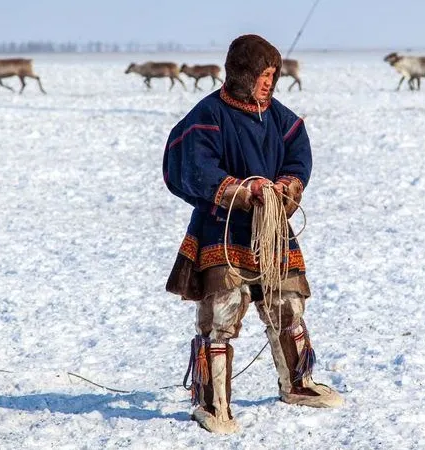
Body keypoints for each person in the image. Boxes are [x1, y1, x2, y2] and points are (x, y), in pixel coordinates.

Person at [162, 34, 343, 434]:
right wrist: (243, 191)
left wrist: (287, 186)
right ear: (241, 74)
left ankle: (298, 382)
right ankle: (213, 403)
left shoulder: (281, 118)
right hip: (221, 231)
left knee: (289, 304)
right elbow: (194, 164)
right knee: (222, 314)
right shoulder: (208, 115)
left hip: (273, 230)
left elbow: (299, 156)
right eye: (262, 74)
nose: (269, 81)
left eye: (273, 74)